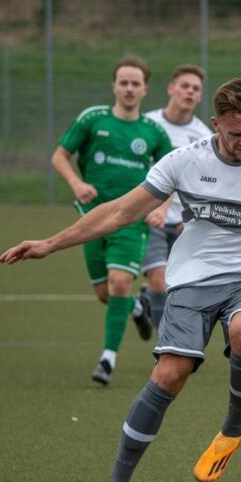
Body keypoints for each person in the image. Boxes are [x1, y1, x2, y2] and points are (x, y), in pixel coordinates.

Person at [0, 78, 241, 482]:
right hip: (191, 279)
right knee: (170, 374)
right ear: (216, 125)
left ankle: (231, 429)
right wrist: (50, 243)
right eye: (235, 134)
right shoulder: (184, 161)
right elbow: (119, 211)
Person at [51, 55, 173, 385]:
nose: (129, 89)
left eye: (136, 83)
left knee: (121, 282)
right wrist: (77, 183)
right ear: (114, 86)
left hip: (131, 221)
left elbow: (173, 175)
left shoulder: (153, 132)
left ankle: (107, 360)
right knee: (106, 294)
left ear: (145, 89)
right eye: (124, 82)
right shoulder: (92, 119)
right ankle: (136, 309)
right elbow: (60, 155)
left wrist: (161, 208)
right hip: (89, 220)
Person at [140, 64, 212, 329]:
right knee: (158, 277)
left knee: (181, 284)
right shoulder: (147, 124)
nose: (190, 92)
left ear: (200, 96)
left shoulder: (204, 136)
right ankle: (164, 346)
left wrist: (191, 216)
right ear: (171, 89)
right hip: (150, 218)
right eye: (185, 86)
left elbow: (205, 184)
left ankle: (148, 302)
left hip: (183, 221)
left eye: (196, 89)